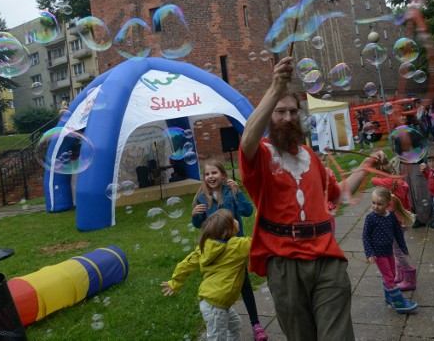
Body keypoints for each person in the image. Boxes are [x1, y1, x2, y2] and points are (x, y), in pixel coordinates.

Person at [239, 55, 386, 341]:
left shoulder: (310, 158)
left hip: (326, 259)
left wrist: (365, 167)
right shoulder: (262, 156)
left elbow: (339, 193)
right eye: (280, 112)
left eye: (293, 112)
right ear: (270, 116)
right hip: (284, 262)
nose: (287, 118)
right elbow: (247, 140)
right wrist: (275, 88)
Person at [191, 160, 268, 341]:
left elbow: (248, 211)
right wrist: (195, 216)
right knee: (222, 285)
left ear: (223, 175)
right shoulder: (201, 198)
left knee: (245, 285)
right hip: (216, 251)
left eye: (214, 173)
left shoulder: (231, 193)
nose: (211, 177)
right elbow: (199, 224)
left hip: (234, 248)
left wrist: (239, 193)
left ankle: (256, 324)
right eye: (207, 174)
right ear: (204, 177)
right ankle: (221, 314)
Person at [161, 209, 250, 341]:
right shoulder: (237, 245)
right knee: (217, 338)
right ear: (228, 229)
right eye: (232, 219)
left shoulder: (205, 245)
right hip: (216, 306)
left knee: (235, 325)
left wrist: (175, 282)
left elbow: (187, 263)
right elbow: (258, 243)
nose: (236, 219)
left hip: (213, 302)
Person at [362, 187, 419, 314]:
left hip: (389, 252)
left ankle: (389, 297)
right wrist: (369, 253)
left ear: (388, 204)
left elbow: (398, 234)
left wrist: (404, 249)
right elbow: (365, 236)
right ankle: (400, 304)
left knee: (392, 275)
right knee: (389, 277)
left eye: (379, 204)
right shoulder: (370, 218)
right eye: (373, 203)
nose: (375, 206)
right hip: (378, 254)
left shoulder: (391, 217)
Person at [371, 177, 417, 291]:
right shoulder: (399, 182)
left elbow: (373, 180)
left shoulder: (389, 182)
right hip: (401, 222)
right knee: (396, 251)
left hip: (397, 224)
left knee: (398, 252)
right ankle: (401, 276)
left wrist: (368, 168)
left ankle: (410, 280)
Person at [396, 113, 434, 229]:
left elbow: (423, 145)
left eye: (404, 115)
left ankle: (431, 218)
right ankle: (418, 217)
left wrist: (424, 162)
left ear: (409, 116)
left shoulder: (417, 128)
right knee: (409, 193)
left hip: (417, 164)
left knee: (420, 191)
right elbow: (397, 149)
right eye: (400, 116)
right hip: (404, 164)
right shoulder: (398, 131)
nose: (402, 117)